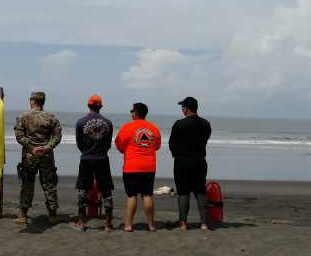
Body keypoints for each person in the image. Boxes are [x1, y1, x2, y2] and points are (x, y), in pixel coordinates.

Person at [14, 91, 62, 225]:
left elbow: (19, 137)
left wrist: (31, 148)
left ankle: (23, 214)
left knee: (27, 184)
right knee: (49, 185)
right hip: (46, 156)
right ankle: (52, 214)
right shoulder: (51, 117)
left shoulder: (23, 117)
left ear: (33, 101)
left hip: (30, 156)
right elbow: (57, 137)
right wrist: (46, 148)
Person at [115, 102, 161, 232]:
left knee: (132, 195)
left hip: (131, 166)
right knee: (147, 195)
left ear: (135, 113)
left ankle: (128, 225)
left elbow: (119, 145)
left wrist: (128, 149)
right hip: (149, 166)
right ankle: (151, 225)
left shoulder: (127, 127)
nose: (131, 113)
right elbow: (157, 146)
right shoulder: (153, 128)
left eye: (132, 110)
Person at [169, 96, 212, 230]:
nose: (182, 109)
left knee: (183, 192)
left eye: (183, 107)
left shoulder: (179, 124)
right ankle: (204, 222)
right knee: (200, 191)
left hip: (182, 161)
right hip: (199, 160)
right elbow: (205, 140)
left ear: (186, 108)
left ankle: (183, 223)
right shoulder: (206, 124)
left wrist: (176, 154)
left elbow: (172, 144)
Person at [73, 95, 115, 231]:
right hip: (102, 158)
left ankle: (81, 222)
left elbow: (79, 143)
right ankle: (108, 223)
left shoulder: (80, 122)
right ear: (100, 106)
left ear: (88, 105)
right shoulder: (108, 123)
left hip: (86, 158)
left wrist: (87, 151)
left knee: (83, 190)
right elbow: (108, 143)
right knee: (106, 190)